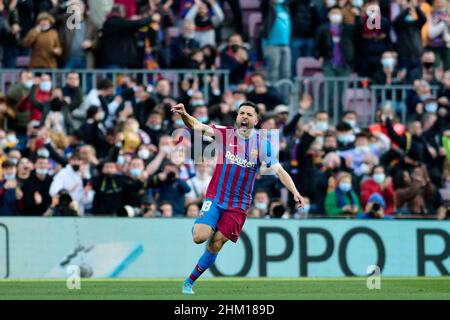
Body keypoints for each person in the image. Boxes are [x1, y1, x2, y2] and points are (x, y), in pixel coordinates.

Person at [171, 101, 305, 294]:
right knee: (199, 237)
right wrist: (184, 114)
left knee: (216, 243)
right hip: (216, 197)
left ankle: (189, 282)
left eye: (249, 114)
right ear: (237, 117)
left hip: (238, 206)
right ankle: (209, 221)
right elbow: (197, 126)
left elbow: (279, 171)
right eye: (242, 113)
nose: (244, 116)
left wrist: (295, 191)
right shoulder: (225, 134)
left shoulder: (262, 144)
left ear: (256, 120)